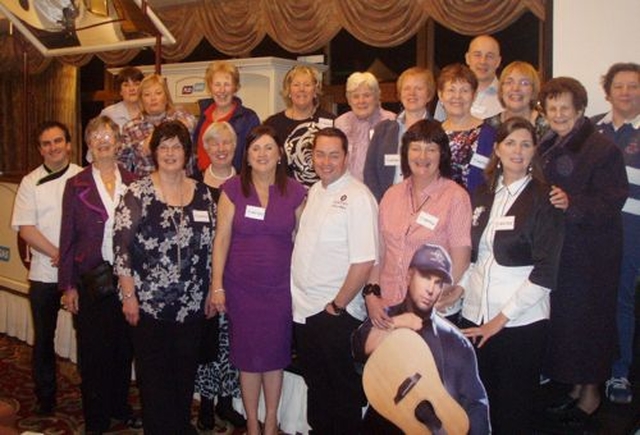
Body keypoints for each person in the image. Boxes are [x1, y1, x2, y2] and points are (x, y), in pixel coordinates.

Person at [458, 117, 564, 434]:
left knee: (513, 413)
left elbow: (546, 274)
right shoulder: (482, 194)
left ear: (535, 152)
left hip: (519, 324)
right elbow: (479, 258)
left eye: (526, 144)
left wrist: (499, 321)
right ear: (497, 149)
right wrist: (458, 290)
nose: (517, 150)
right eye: (510, 143)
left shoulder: (545, 198)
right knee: (478, 408)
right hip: (475, 319)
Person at [113, 120, 215, 434]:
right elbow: (121, 247)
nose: (170, 153)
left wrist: (213, 290)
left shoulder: (203, 194)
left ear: (187, 153)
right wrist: (129, 295)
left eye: (177, 146)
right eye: (164, 146)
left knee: (184, 380)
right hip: (149, 308)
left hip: (192, 307)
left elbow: (213, 249)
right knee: (155, 383)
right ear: (155, 152)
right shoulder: (138, 192)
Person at [539, 77, 628, 428]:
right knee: (570, 324)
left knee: (589, 323)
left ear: (580, 110)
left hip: (593, 252)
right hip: (563, 250)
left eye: (566, 107)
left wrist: (571, 203)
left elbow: (613, 200)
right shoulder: (548, 143)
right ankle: (576, 389)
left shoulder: (602, 148)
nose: (559, 113)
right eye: (552, 108)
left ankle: (591, 397)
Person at [209, 125, 306, 435]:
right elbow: (221, 240)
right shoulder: (232, 189)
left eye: (268, 148)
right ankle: (252, 421)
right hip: (241, 289)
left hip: (280, 289)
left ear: (279, 154)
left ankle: (272, 421)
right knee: (248, 358)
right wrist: (217, 285)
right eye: (256, 149)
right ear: (247, 157)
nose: (262, 154)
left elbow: (303, 240)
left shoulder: (296, 191)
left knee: (275, 357)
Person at [291, 127, 378, 434]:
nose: (325, 161)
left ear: (347, 156)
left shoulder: (358, 196)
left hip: (334, 313)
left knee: (342, 392)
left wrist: (337, 306)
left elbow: (365, 259)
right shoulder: (315, 191)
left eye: (333, 155)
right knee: (316, 385)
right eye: (320, 154)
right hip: (303, 309)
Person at [352, 244, 490, 435]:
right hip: (386, 424)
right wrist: (399, 322)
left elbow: (476, 402)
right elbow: (360, 349)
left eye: (438, 282)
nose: (431, 289)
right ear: (409, 276)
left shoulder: (455, 341)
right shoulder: (387, 316)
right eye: (425, 277)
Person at [58, 116, 140, 433]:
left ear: (119, 142)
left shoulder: (134, 181)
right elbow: (67, 237)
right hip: (91, 281)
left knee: (123, 349)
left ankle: (119, 406)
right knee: (94, 354)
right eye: (96, 136)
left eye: (109, 135)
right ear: (89, 144)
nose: (103, 140)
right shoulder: (75, 184)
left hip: (127, 282)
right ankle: (96, 416)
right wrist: (68, 285)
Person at [364, 119, 471, 331]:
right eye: (416, 148)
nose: (422, 157)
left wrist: (433, 299)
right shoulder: (391, 195)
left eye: (431, 149)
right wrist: (372, 295)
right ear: (406, 153)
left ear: (442, 154)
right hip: (389, 306)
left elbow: (461, 257)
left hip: (431, 310)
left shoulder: (455, 196)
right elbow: (381, 252)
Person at [10, 121, 82, 415]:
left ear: (68, 143)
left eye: (58, 141)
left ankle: (93, 393)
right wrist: (58, 254)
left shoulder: (83, 177)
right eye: (46, 143)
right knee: (43, 340)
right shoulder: (30, 182)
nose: (53, 147)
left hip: (80, 275)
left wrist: (70, 259)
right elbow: (26, 229)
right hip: (43, 273)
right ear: (40, 149)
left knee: (89, 338)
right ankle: (46, 398)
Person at [592, 62, 640, 404]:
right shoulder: (592, 128)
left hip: (631, 230)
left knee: (621, 299)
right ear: (607, 91)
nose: (625, 92)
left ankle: (619, 373)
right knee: (589, 301)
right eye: (619, 86)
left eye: (633, 86)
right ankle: (588, 370)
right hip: (592, 231)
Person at [193, 122, 246, 431]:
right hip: (202, 276)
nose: (221, 149)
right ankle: (206, 403)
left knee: (231, 340)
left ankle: (226, 402)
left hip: (236, 273)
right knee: (208, 340)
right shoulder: (195, 184)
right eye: (215, 144)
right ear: (206, 148)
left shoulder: (244, 184)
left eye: (226, 143)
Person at [364, 67, 436, 201]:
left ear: (429, 94)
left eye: (418, 88)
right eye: (407, 88)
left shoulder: (439, 130)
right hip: (388, 205)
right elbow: (370, 172)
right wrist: (383, 203)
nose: (412, 93)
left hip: (426, 207)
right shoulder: (383, 130)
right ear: (400, 93)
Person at [264, 65, 335, 187]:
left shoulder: (332, 122)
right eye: (296, 85)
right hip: (285, 195)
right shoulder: (273, 124)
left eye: (307, 85)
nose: (301, 89)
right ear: (289, 91)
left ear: (315, 91)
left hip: (323, 194)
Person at [119, 74, 196, 177]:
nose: (153, 98)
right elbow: (122, 164)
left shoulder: (181, 115)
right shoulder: (130, 128)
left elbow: (192, 124)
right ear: (141, 100)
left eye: (158, 93)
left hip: (183, 183)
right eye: (147, 94)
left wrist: (155, 136)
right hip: (147, 186)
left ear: (166, 96)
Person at [438, 63, 496, 195]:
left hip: (478, 209)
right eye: (451, 90)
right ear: (441, 95)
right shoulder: (432, 135)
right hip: (438, 210)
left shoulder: (490, 135)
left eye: (464, 90)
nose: (457, 96)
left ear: (474, 95)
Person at [192, 60, 260, 172]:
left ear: (235, 87)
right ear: (210, 87)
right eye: (217, 84)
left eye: (227, 84)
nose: (222, 90)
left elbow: (254, 157)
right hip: (203, 181)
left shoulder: (248, 118)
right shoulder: (203, 116)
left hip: (233, 182)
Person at [334, 71, 396, 181]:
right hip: (348, 190)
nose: (361, 101)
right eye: (356, 96)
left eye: (367, 95)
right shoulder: (340, 123)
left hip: (381, 189)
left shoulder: (391, 122)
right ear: (349, 100)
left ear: (377, 97)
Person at [435, 35, 502, 121]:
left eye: (489, 56)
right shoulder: (449, 95)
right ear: (467, 58)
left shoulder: (507, 97)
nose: (483, 61)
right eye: (477, 55)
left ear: (498, 61)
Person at [485, 61, 549, 140]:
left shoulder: (548, 129)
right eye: (509, 82)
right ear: (501, 90)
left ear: (533, 91)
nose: (515, 88)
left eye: (524, 83)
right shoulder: (487, 127)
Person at [100, 66, 144, 131]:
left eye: (136, 84)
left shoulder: (151, 111)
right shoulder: (109, 114)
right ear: (120, 91)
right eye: (126, 85)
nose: (132, 89)